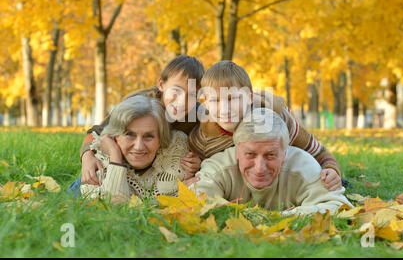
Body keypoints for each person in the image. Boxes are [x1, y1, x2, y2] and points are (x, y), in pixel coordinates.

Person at [188, 60, 343, 191]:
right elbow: (203, 167)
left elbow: (319, 151)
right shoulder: (203, 138)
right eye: (215, 100)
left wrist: (330, 169)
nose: (224, 109)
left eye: (232, 99)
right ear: (206, 103)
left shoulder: (278, 120)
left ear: (249, 97)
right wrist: (195, 168)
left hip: (281, 184)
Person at [189, 108, 353, 215]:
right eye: (250, 154)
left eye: (270, 155)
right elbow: (195, 202)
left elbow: (338, 206)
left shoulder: (303, 166)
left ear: (285, 153)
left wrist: (281, 217)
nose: (260, 168)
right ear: (237, 151)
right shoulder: (218, 167)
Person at [79, 55, 205, 186]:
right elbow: (96, 132)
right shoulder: (138, 105)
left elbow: (213, 146)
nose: (182, 101)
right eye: (176, 90)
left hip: (160, 176)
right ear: (161, 84)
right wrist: (87, 157)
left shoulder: (199, 116)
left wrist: (199, 161)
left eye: (192, 95)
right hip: (123, 167)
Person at [71, 95, 190, 201]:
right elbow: (113, 209)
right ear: (115, 136)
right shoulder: (100, 161)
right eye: (129, 134)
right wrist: (115, 157)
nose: (139, 146)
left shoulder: (176, 149)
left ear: (160, 139)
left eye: (149, 136)